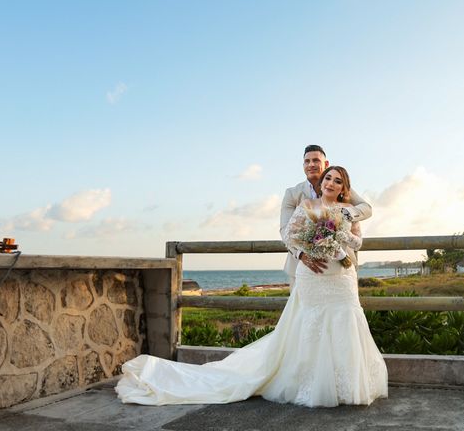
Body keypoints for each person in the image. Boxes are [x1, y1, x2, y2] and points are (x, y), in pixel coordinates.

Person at [115, 166, 388, 408]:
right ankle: (311, 383)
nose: (330, 183)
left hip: (341, 277)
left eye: (337, 181)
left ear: (344, 188)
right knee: (311, 326)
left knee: (345, 321)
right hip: (313, 275)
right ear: (323, 182)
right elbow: (291, 238)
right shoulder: (307, 206)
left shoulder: (347, 211)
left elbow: (358, 243)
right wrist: (303, 254)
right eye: (328, 178)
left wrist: (338, 239)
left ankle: (346, 386)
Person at [280, 145, 372, 286]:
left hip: (341, 267)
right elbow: (285, 230)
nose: (311, 165)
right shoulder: (292, 194)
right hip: (304, 267)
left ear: (325, 164)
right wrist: (301, 255)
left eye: (316, 160)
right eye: (307, 161)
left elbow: (366, 208)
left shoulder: (341, 186)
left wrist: (342, 216)